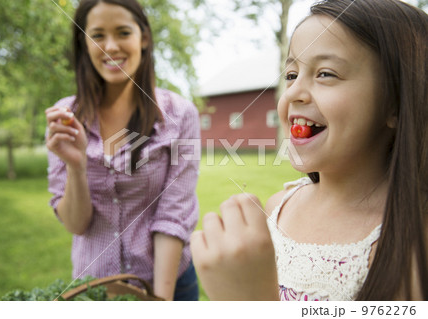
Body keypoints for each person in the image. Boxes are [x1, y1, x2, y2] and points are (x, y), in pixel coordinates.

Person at [191, 0, 427, 301]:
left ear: (395, 105)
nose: (293, 93)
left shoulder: (411, 247)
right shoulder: (277, 208)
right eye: (291, 75)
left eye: (325, 74)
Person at [45, 0, 200, 301]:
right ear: (84, 42)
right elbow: (76, 224)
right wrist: (76, 166)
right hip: (95, 288)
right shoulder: (65, 116)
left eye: (123, 32)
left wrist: (160, 302)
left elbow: (174, 214)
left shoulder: (180, 115)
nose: (110, 46)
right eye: (98, 35)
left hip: (169, 284)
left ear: (143, 38)